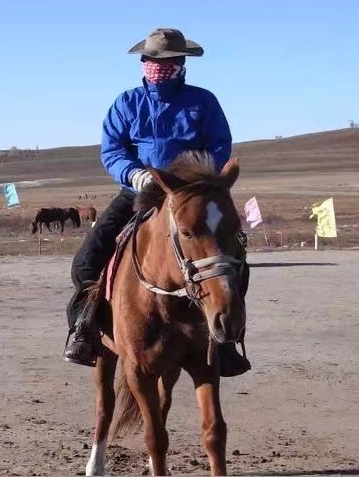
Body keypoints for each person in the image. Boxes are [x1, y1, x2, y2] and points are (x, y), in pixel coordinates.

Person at [64, 28, 251, 376]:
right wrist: (135, 175)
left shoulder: (203, 102)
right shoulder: (127, 102)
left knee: (234, 260)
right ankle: (85, 329)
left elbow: (219, 146)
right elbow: (113, 149)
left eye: (164, 61)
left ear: (181, 64)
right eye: (150, 60)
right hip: (140, 192)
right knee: (87, 260)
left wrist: (195, 178)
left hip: (191, 195)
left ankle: (225, 341)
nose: (156, 66)